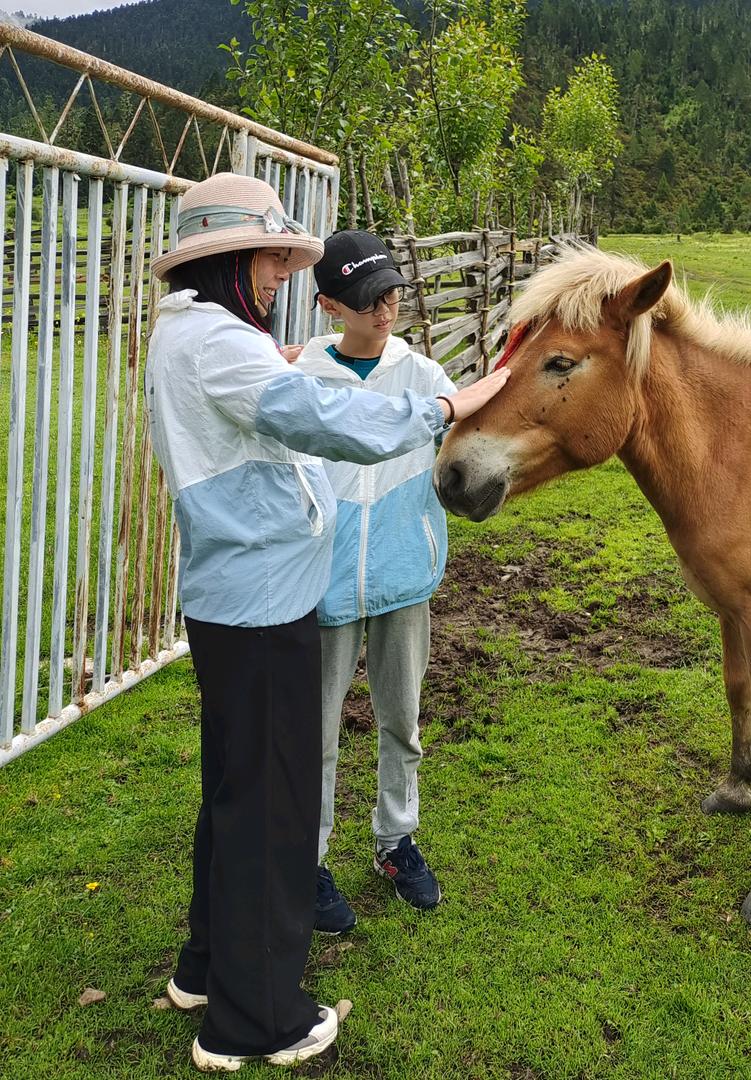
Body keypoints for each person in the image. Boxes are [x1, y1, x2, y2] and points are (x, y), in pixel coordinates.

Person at [144, 173, 508, 1072]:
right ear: (227, 259)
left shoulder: (192, 333)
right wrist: (445, 406)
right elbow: (328, 420)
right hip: (263, 603)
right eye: (270, 258)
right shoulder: (221, 344)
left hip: (238, 596)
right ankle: (256, 1018)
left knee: (236, 794)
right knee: (272, 811)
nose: (280, 274)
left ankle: (205, 967)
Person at [293, 231, 453, 932]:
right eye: (367, 300)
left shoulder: (424, 375)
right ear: (329, 305)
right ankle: (306, 859)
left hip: (404, 577)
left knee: (402, 721)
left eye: (391, 294)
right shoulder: (301, 379)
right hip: (321, 588)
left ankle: (396, 840)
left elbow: (465, 440)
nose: (385, 310)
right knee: (315, 733)